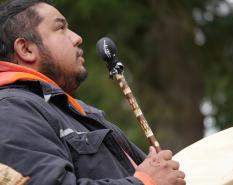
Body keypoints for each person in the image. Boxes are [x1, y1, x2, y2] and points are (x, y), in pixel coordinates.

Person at [0, 0, 186, 185]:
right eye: (60, 28)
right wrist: (145, 182)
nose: (77, 38)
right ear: (26, 49)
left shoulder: (73, 111)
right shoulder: (10, 110)